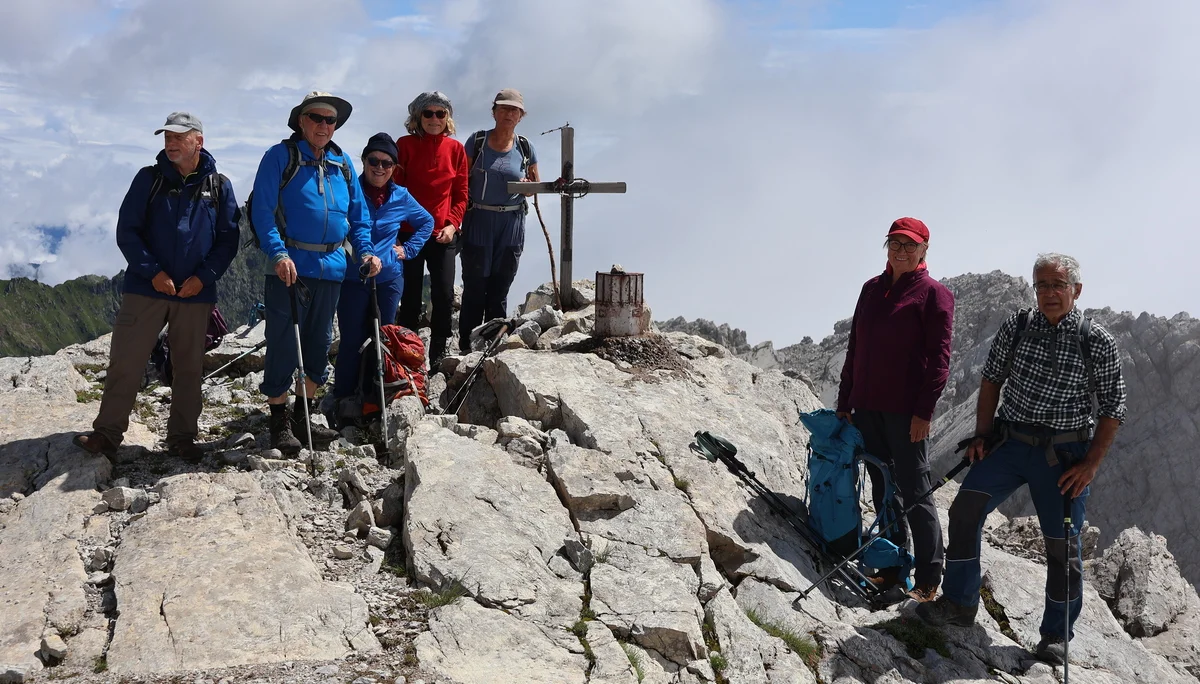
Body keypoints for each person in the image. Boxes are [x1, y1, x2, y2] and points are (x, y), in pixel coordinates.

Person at [916, 253, 1126, 665]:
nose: (1048, 293)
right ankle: (959, 605)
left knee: (1062, 545)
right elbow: (991, 379)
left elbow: (1113, 408)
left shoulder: (1096, 340)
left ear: (1076, 291)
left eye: (1057, 285)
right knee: (963, 511)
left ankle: (1056, 636)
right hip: (1010, 445)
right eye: (1041, 285)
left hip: (1064, 456)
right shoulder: (1019, 326)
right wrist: (982, 434)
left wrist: (1090, 465)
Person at [73, 112, 239, 462]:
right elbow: (127, 231)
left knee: (189, 367)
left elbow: (227, 240)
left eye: (179, 136)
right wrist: (153, 272)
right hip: (146, 289)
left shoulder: (219, 186)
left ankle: (181, 438)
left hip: (195, 294)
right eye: (167, 136)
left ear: (199, 141)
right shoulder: (149, 179)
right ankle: (106, 433)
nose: (171, 142)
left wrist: (203, 278)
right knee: (126, 361)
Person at [251, 91, 381, 453]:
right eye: (317, 118)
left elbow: (359, 216)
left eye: (331, 120)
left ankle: (304, 419)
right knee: (282, 343)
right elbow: (262, 211)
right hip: (290, 269)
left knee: (319, 344)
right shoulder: (280, 157)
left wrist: (366, 252)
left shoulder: (342, 163)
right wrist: (278, 254)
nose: (325, 126)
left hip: (332, 268)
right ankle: (279, 424)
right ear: (301, 121)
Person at [835, 217, 955, 602]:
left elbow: (939, 360)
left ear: (924, 250)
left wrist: (924, 413)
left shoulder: (934, 294)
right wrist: (844, 400)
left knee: (916, 491)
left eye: (909, 245)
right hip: (867, 407)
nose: (901, 251)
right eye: (894, 244)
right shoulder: (871, 290)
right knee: (883, 487)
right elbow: (856, 346)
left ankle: (928, 580)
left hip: (906, 415)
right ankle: (891, 566)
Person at [332, 133, 433, 412]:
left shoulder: (401, 196)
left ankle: (375, 394)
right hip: (353, 278)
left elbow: (427, 222)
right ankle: (343, 395)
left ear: (394, 168)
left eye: (387, 163)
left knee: (384, 337)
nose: (380, 167)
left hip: (388, 280)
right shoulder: (351, 191)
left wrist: (406, 251)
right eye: (374, 160)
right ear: (364, 161)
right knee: (352, 339)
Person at [458, 88, 539, 354]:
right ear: (494, 112)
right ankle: (466, 351)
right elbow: (461, 180)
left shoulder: (525, 147)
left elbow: (536, 185)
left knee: (500, 287)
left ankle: (492, 350)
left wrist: (528, 186)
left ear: (521, 116)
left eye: (514, 110)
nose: (508, 113)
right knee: (474, 288)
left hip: (511, 223)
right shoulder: (477, 142)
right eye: (503, 108)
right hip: (478, 219)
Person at [394, 91, 469, 368]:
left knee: (444, 294)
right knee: (410, 294)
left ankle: (438, 352)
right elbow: (396, 190)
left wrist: (452, 224)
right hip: (409, 234)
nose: (435, 119)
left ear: (447, 118)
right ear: (417, 117)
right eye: (428, 113)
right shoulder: (404, 146)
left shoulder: (456, 150)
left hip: (442, 234)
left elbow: (461, 194)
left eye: (441, 113)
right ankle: (409, 353)